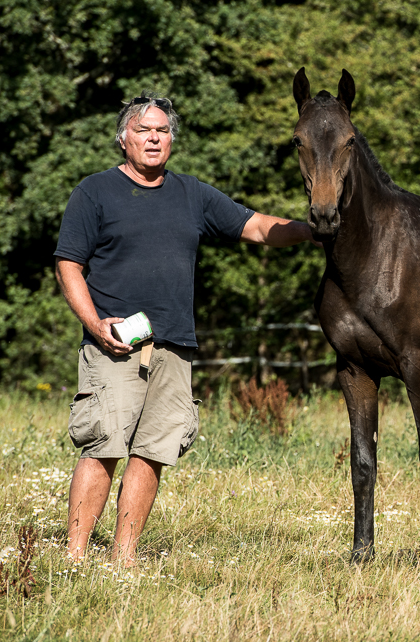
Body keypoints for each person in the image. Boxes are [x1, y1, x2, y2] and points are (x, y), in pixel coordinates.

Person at [54, 92, 315, 567]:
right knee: (104, 445)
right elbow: (68, 264)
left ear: (172, 140)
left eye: (162, 131)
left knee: (153, 452)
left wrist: (316, 228)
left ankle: (123, 559)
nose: (153, 138)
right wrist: (94, 325)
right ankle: (74, 557)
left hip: (175, 346)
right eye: (143, 130)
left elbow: (258, 227)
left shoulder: (192, 194)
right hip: (116, 344)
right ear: (123, 139)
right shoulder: (94, 192)